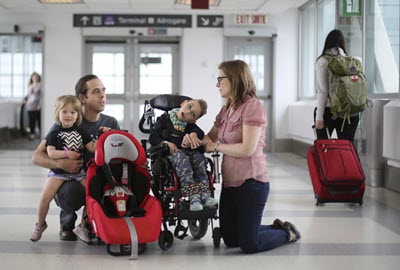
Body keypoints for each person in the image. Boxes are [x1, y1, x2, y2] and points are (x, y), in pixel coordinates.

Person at [186, 60, 301, 254]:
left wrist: (218, 146)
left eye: (220, 79)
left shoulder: (252, 106)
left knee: (249, 244)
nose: (217, 84)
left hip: (252, 183)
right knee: (231, 239)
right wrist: (192, 136)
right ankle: (264, 229)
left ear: (235, 79)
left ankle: (287, 233)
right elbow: (209, 139)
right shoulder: (226, 109)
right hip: (230, 185)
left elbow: (248, 149)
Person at [32, 75, 120, 242]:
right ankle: (67, 224)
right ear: (82, 98)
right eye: (96, 91)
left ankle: (89, 225)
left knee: (101, 185)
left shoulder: (111, 122)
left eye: (103, 90)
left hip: (98, 177)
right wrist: (61, 163)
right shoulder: (67, 122)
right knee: (71, 192)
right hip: (70, 179)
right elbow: (37, 156)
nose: (102, 95)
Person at [149, 98, 217, 211]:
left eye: (193, 114)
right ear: (183, 103)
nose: (188, 112)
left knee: (200, 159)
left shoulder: (189, 125)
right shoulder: (164, 120)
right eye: (189, 106)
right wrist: (166, 143)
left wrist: (194, 134)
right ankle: (193, 196)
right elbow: (153, 137)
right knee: (183, 160)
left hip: (187, 153)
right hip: (169, 155)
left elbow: (200, 132)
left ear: (193, 120)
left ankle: (204, 194)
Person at [314, 29, 359, 142]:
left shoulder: (322, 61)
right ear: (343, 43)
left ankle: (329, 161)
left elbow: (323, 91)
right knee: (347, 149)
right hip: (351, 111)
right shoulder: (351, 61)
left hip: (330, 111)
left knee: (324, 148)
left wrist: (319, 117)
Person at [24, 72, 41, 140]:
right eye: (33, 77)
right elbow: (28, 95)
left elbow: (41, 96)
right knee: (31, 120)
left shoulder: (40, 85)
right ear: (31, 78)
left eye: (36, 77)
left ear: (38, 77)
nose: (35, 78)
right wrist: (24, 99)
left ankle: (40, 133)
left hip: (37, 106)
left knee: (39, 120)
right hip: (30, 105)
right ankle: (32, 134)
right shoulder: (30, 85)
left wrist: (40, 105)